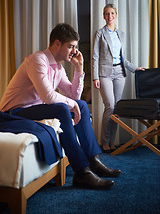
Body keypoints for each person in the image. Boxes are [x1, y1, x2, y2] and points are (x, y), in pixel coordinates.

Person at [0, 23, 122, 190]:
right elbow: (48, 97)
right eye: (71, 46)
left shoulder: (58, 67)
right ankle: (82, 172)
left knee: (82, 105)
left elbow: (74, 97)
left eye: (75, 47)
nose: (74, 51)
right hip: (14, 112)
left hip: (35, 108)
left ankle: (93, 161)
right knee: (62, 108)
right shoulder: (37, 60)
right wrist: (71, 104)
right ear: (57, 43)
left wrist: (79, 69)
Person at [92, 4, 145, 152]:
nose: (110, 16)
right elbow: (95, 57)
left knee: (116, 108)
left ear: (116, 15)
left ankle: (111, 142)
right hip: (105, 73)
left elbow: (123, 58)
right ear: (104, 16)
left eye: (112, 13)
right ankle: (104, 141)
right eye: (107, 14)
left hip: (119, 73)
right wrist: (95, 77)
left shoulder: (121, 34)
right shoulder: (99, 33)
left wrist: (135, 68)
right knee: (109, 105)